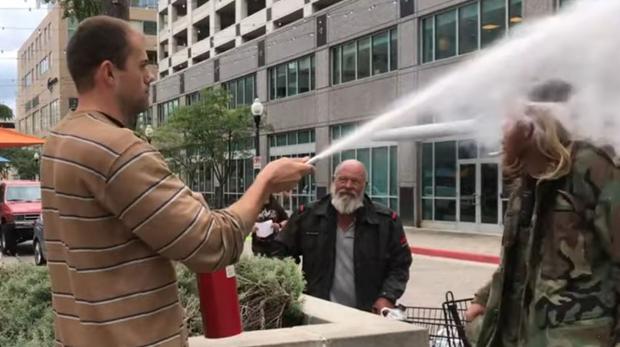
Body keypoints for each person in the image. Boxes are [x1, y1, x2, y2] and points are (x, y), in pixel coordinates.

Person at [40, 16, 313, 347]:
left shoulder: (60, 141)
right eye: (142, 65)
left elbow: (108, 234)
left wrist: (177, 208)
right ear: (109, 73)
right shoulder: (119, 149)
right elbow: (213, 246)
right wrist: (265, 183)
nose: (150, 76)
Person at [465, 80, 620, 347]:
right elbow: (519, 263)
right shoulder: (526, 182)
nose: (501, 129)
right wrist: (483, 299)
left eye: (508, 120)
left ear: (534, 123)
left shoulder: (593, 169)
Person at [252, 159, 412, 313]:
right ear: (333, 181)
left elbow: (400, 265)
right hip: (319, 313)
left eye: (355, 181)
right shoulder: (307, 216)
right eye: (343, 180)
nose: (348, 186)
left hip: (368, 315)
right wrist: (263, 240)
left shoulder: (386, 221)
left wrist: (387, 297)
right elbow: (280, 255)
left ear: (365, 185)